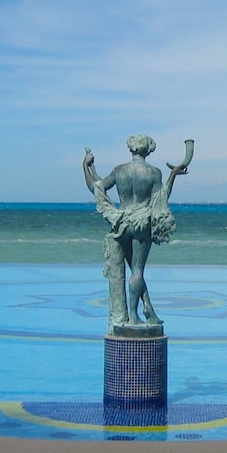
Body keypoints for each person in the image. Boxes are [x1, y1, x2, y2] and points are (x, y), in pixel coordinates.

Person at [83, 135, 189, 331]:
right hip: (141, 224)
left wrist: (85, 166)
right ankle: (133, 316)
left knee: (134, 271)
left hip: (122, 223)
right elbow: (161, 199)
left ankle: (148, 310)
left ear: (131, 149)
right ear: (147, 150)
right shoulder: (153, 173)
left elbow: (96, 187)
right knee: (138, 272)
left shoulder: (119, 170)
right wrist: (173, 174)